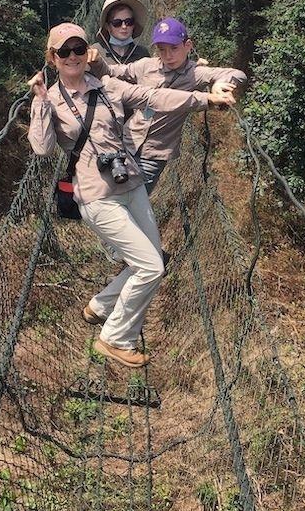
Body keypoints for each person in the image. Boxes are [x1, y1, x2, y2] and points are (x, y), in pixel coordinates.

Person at [27, 22, 235, 369]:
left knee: (155, 260)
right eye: (64, 52)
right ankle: (114, 338)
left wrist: (204, 99)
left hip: (131, 183)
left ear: (87, 52)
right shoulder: (50, 100)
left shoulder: (107, 85)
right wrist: (40, 103)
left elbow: (153, 97)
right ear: (53, 58)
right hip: (97, 195)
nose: (73, 57)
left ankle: (102, 305)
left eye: (79, 49)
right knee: (150, 267)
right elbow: (42, 148)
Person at [93, 17, 248, 194]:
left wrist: (219, 83)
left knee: (136, 198)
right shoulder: (146, 66)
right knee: (113, 194)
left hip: (154, 154)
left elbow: (238, 74)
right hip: (127, 142)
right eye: (162, 49)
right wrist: (97, 61)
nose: (168, 55)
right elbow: (113, 71)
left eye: (174, 48)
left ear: (188, 45)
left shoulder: (195, 73)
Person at [91, 0, 150, 64]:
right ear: (107, 26)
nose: (124, 26)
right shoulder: (95, 52)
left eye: (129, 22)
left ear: (134, 24)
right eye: (117, 23)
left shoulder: (142, 54)